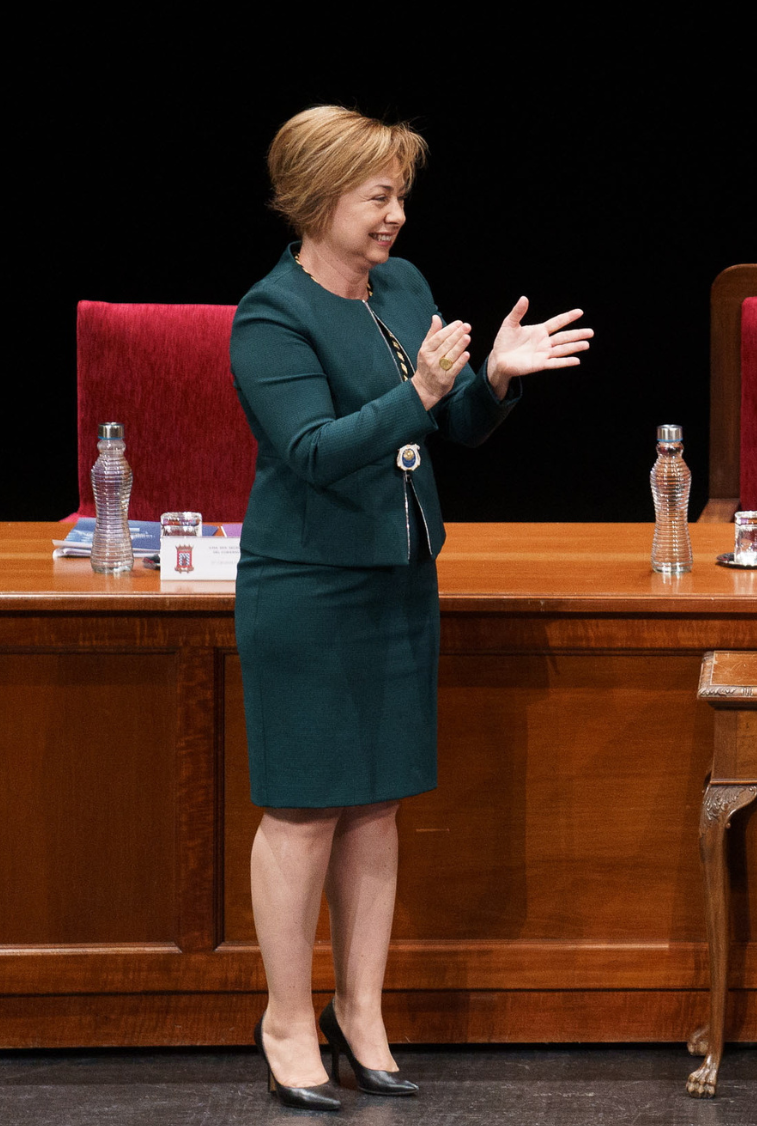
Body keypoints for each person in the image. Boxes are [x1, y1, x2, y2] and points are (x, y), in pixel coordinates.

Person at [230, 105, 593, 1111]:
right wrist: (426, 392)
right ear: (316, 199)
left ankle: (361, 1013)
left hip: (397, 577)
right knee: (304, 811)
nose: (394, 215)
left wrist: (491, 382)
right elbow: (312, 450)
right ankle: (286, 1021)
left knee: (377, 805)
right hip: (306, 588)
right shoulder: (270, 315)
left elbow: (451, 423)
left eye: (400, 195)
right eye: (375, 195)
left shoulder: (404, 285)